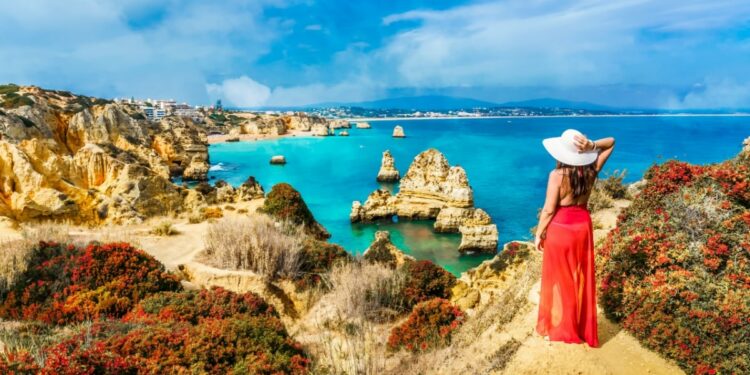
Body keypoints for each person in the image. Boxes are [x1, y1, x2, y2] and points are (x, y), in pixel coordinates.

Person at [534, 129, 615, 347]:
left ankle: (565, 328)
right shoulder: (592, 170)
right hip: (583, 227)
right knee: (580, 275)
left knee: (563, 279)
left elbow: (549, 210)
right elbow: (611, 142)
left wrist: (539, 233)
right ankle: (579, 326)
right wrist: (592, 145)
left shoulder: (557, 176)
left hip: (561, 228)